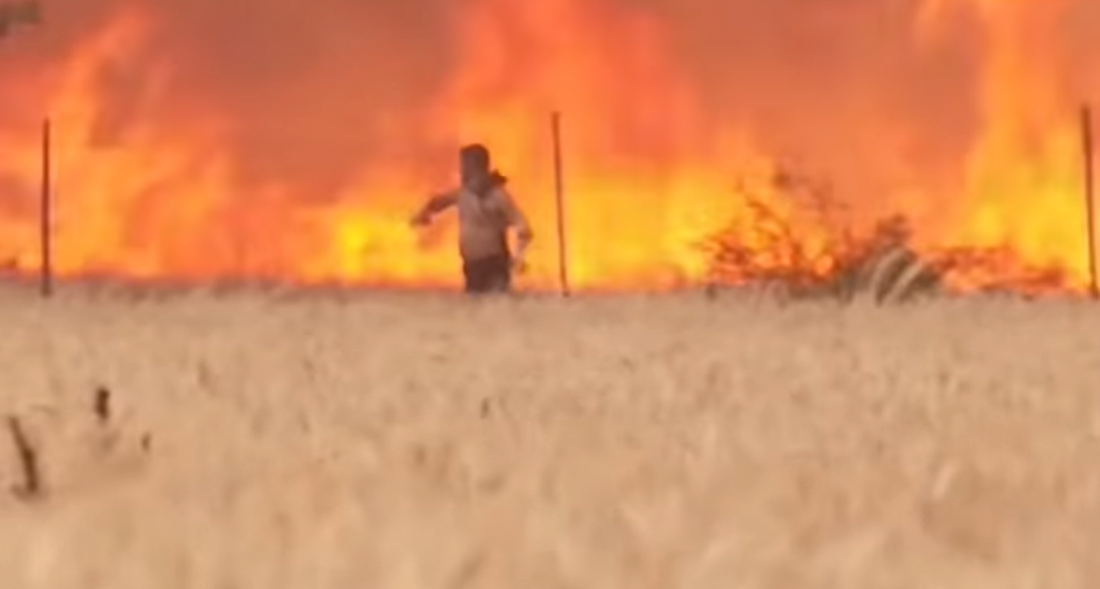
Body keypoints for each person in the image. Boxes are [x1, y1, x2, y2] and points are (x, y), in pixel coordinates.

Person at [410, 144, 533, 294]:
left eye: (465, 165)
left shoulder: (498, 196)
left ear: (477, 167)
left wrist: (519, 257)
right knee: (474, 307)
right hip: (472, 266)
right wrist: (424, 214)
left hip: (493, 265)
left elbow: (524, 228)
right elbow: (439, 202)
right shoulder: (464, 194)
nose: (461, 171)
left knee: (494, 306)